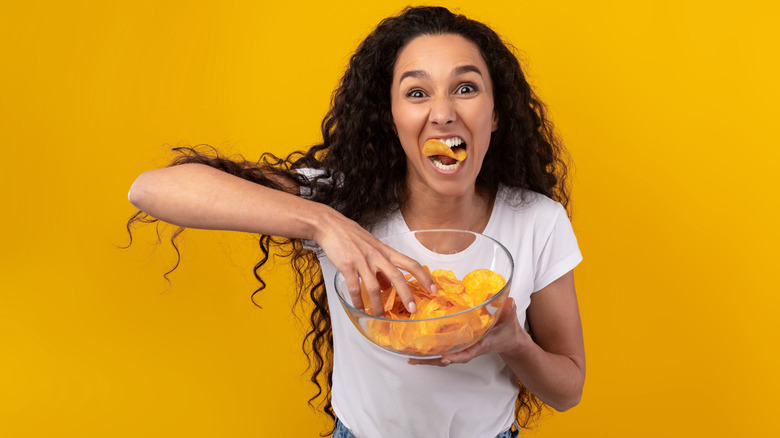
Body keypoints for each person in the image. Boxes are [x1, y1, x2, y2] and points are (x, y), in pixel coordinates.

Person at [127, 6, 585, 438]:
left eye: (465, 88)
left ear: (497, 111)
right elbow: (151, 189)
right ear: (390, 118)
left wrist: (513, 342)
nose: (443, 112)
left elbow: (568, 390)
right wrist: (325, 223)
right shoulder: (344, 200)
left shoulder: (537, 222)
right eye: (417, 92)